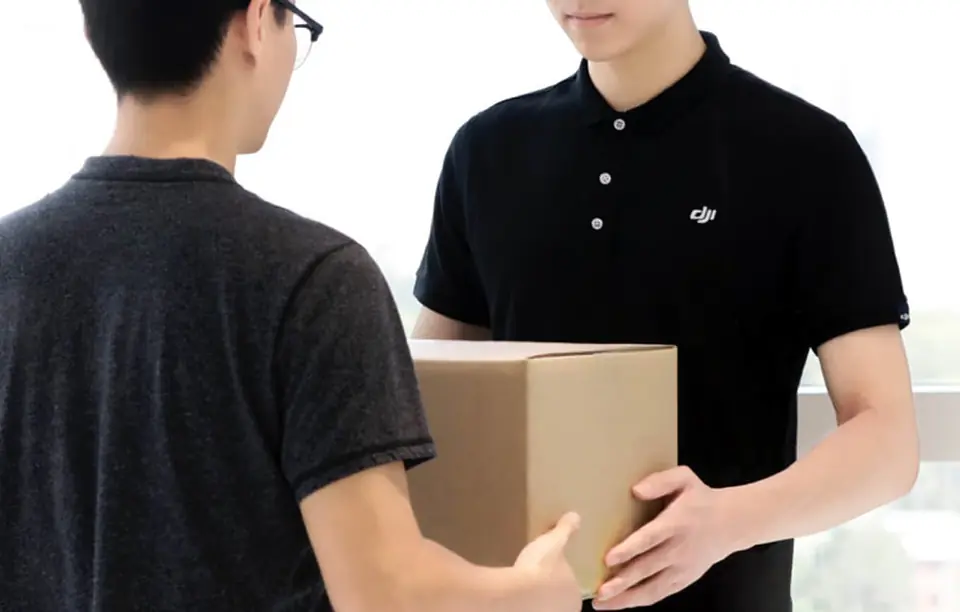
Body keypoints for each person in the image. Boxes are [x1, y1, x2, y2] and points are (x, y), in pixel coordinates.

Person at [0, 1, 585, 611]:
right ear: (257, 22)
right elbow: (386, 593)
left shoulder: (9, 259)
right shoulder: (312, 278)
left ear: (93, 29)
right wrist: (533, 591)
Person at [412, 1, 920, 611]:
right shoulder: (486, 151)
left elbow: (886, 442)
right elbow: (422, 410)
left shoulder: (806, 153)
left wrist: (726, 521)